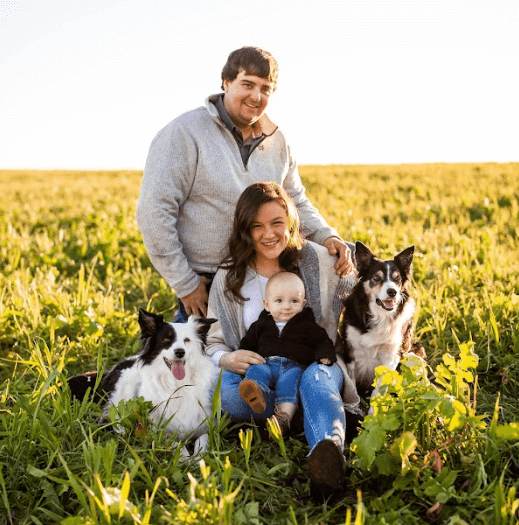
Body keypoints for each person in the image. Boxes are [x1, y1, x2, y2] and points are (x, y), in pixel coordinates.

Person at [136, 46, 353, 322]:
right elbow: (154, 211)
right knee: (207, 363)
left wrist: (326, 234)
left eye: (266, 89)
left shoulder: (278, 141)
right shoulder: (183, 134)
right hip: (207, 282)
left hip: (270, 275)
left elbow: (294, 200)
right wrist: (186, 283)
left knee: (281, 356)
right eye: (247, 84)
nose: (256, 96)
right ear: (226, 83)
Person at [205, 182, 361, 496]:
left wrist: (345, 253)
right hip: (258, 375)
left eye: (277, 223)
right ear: (245, 230)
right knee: (226, 396)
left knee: (316, 382)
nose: (268, 234)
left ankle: (328, 456)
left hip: (313, 363)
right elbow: (213, 340)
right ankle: (300, 415)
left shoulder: (315, 261)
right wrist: (226, 358)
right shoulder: (228, 277)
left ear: (290, 222)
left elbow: (357, 285)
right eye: (257, 226)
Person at [238, 271, 337, 436]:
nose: (286, 306)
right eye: (279, 301)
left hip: (294, 366)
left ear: (303, 303)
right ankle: (257, 393)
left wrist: (324, 354)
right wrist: (242, 356)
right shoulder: (260, 325)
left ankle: (283, 419)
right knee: (256, 371)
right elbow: (247, 344)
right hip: (266, 363)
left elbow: (323, 341)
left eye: (294, 301)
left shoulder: (307, 325)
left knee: (288, 383)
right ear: (267, 304)